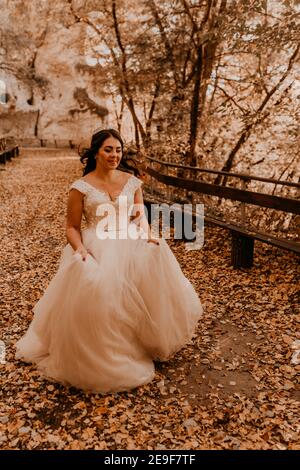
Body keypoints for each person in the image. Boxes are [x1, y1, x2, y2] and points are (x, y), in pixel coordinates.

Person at [15, 129, 203, 393]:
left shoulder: (132, 182)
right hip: (95, 244)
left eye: (118, 150)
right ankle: (107, 356)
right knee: (100, 291)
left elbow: (139, 218)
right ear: (95, 153)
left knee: (153, 261)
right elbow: (71, 226)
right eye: (108, 149)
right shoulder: (80, 188)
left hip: (128, 240)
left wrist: (148, 237)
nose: (114, 155)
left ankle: (146, 341)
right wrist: (80, 249)